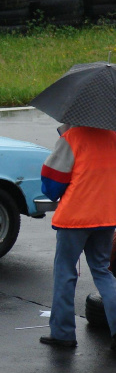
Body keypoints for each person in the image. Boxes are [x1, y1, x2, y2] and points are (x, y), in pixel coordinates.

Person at [39, 123, 116, 350]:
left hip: (75, 219)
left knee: (65, 271)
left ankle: (63, 334)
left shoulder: (71, 138)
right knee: (103, 271)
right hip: (107, 216)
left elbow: (51, 185)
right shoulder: (112, 136)